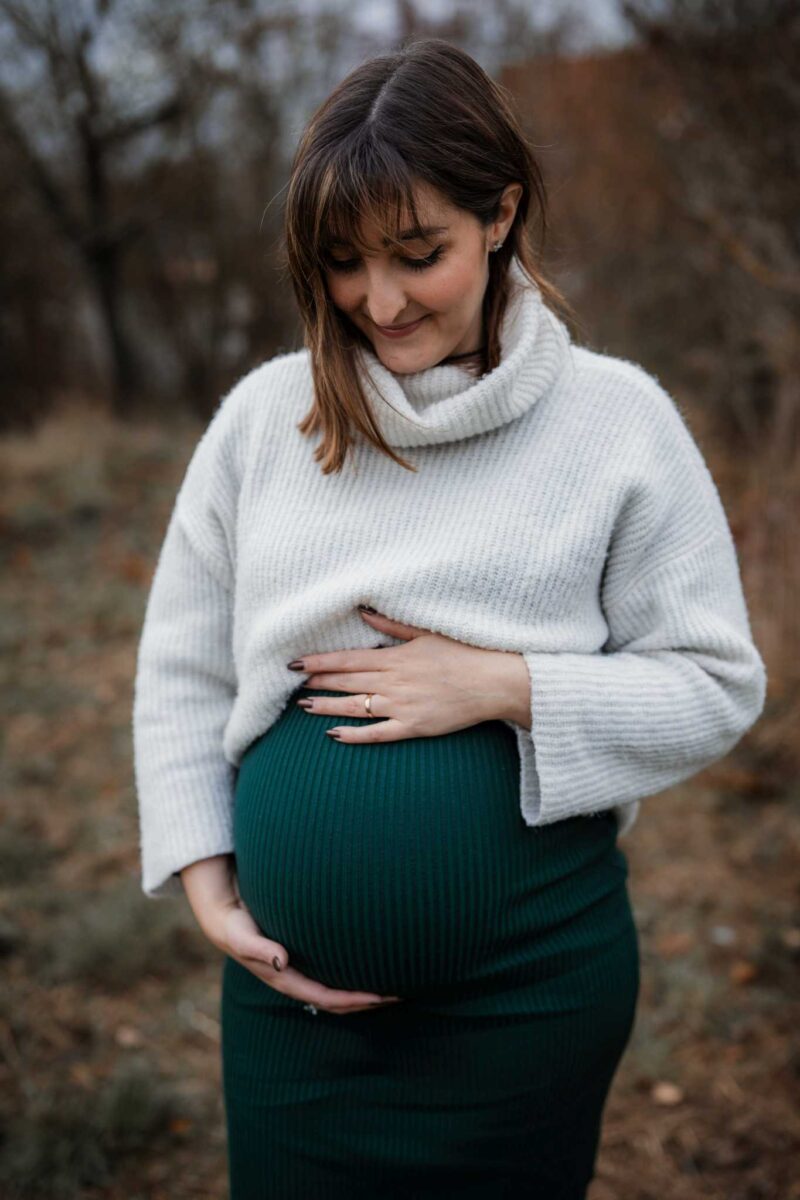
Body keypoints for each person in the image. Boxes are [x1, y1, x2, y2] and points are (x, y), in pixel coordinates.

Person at [132, 37, 767, 1200]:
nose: (376, 300)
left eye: (414, 254)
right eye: (340, 263)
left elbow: (714, 683)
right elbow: (181, 662)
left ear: (499, 215)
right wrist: (204, 873)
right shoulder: (264, 422)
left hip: (528, 997)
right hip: (296, 1019)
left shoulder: (615, 424)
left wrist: (504, 684)